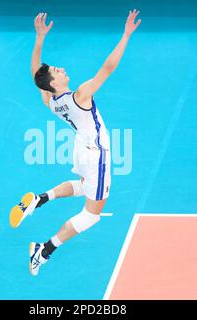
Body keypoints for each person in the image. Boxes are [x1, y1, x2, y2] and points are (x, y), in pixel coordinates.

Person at [10, 9, 141, 276]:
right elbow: (108, 68)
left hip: (81, 150)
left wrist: (39, 39)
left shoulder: (52, 102)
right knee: (91, 215)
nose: (60, 69)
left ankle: (39, 199)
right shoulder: (81, 95)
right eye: (56, 71)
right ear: (54, 83)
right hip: (96, 154)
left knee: (84, 186)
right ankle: (44, 250)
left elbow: (37, 74)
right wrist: (126, 35)